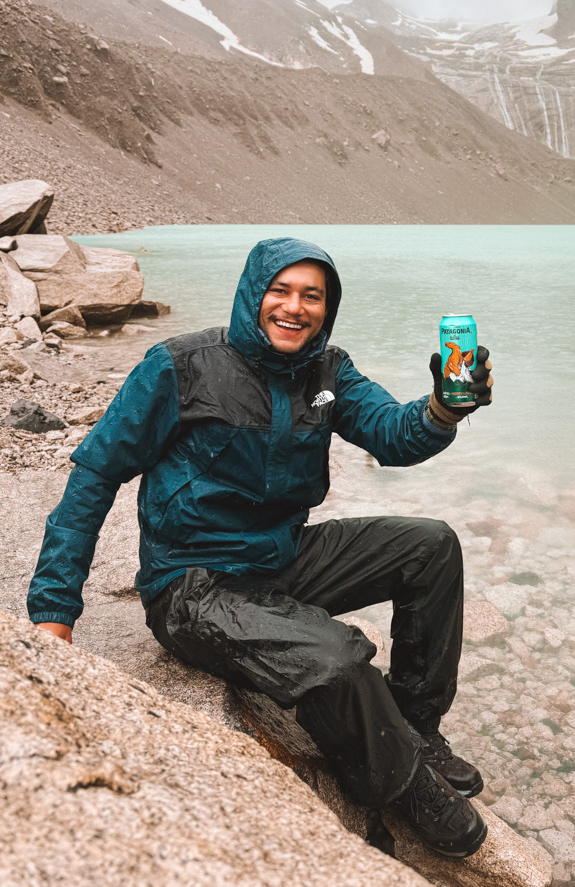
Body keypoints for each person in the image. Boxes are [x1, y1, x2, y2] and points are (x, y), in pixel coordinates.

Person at [27, 237, 494, 859]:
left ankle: (416, 726)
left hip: (280, 556)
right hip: (193, 585)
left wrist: (442, 409)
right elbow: (94, 477)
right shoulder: (179, 366)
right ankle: (399, 780)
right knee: (333, 657)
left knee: (430, 545)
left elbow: (392, 434)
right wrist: (53, 614)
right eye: (281, 290)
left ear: (327, 308)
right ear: (254, 293)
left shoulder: (328, 372)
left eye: (312, 296)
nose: (295, 307)